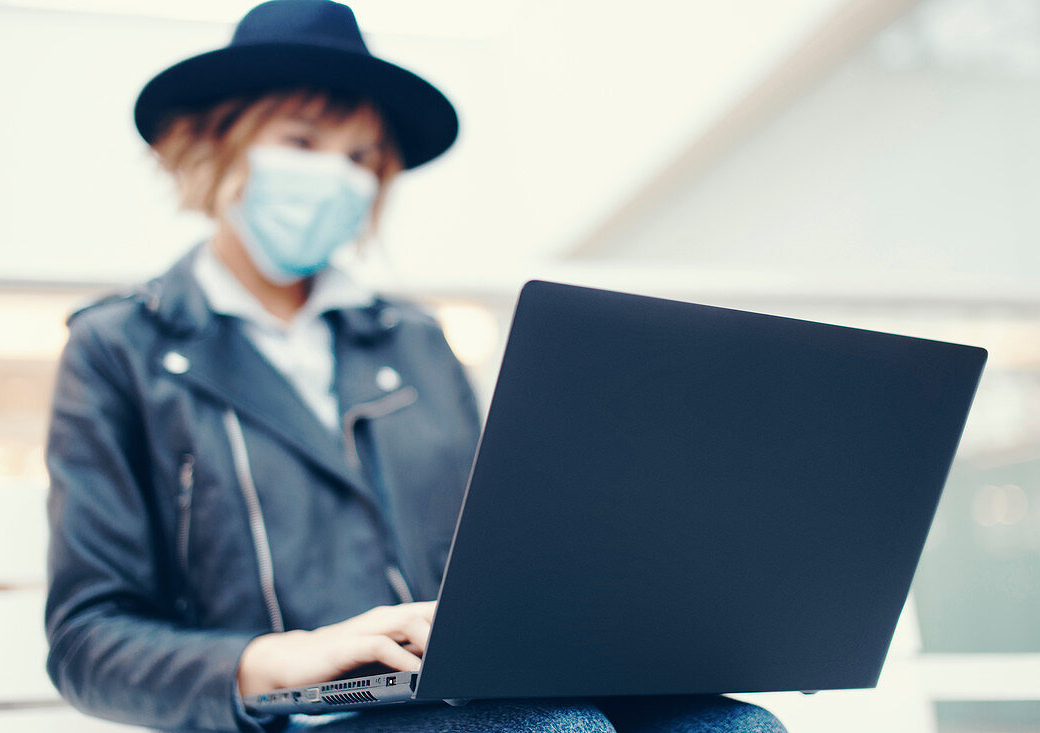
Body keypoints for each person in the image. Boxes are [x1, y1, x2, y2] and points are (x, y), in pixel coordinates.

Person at [44, 2, 787, 732]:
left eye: (361, 157)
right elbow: (88, 640)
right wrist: (285, 657)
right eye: (302, 142)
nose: (337, 176)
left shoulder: (417, 340)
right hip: (291, 721)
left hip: (451, 696)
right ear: (213, 147)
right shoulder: (120, 348)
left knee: (735, 725)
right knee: (549, 728)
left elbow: (501, 559)